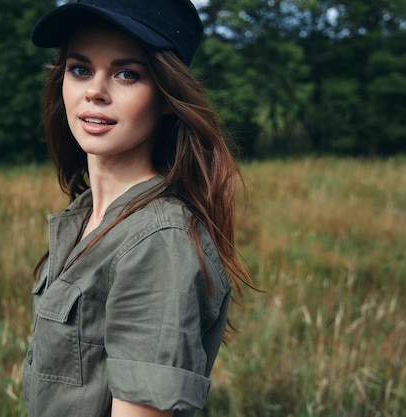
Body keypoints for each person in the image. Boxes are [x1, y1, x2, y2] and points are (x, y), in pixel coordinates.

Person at [22, 1, 251, 416]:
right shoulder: (86, 215)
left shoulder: (157, 242)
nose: (94, 90)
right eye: (80, 69)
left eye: (127, 73)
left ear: (166, 95)